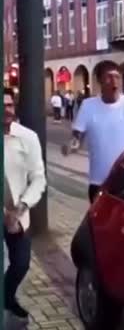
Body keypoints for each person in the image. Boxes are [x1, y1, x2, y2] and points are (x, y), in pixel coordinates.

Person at [68, 62, 124, 203]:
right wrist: (72, 145)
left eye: (117, 77)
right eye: (109, 77)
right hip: (98, 181)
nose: (114, 82)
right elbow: (77, 135)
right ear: (99, 81)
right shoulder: (88, 106)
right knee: (99, 223)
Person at [4, 88, 47, 322]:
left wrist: (20, 208)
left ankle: (7, 296)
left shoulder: (28, 137)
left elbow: (38, 177)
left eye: (9, 105)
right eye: (2, 105)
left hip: (18, 213)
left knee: (20, 264)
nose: (6, 110)